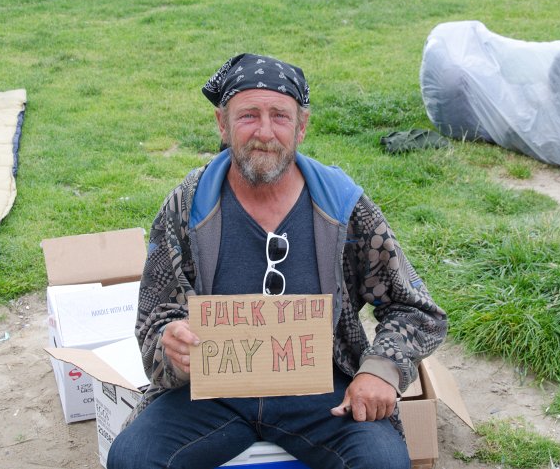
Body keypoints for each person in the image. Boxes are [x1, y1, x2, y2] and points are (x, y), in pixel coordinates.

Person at [107, 53, 448, 469]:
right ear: (222, 124)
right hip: (214, 394)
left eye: (280, 117)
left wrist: (380, 370)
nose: (264, 132)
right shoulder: (188, 205)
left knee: (382, 463)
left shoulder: (342, 206)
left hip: (323, 390)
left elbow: (414, 308)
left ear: (301, 127)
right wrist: (171, 343)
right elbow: (154, 317)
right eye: (248, 115)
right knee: (132, 459)